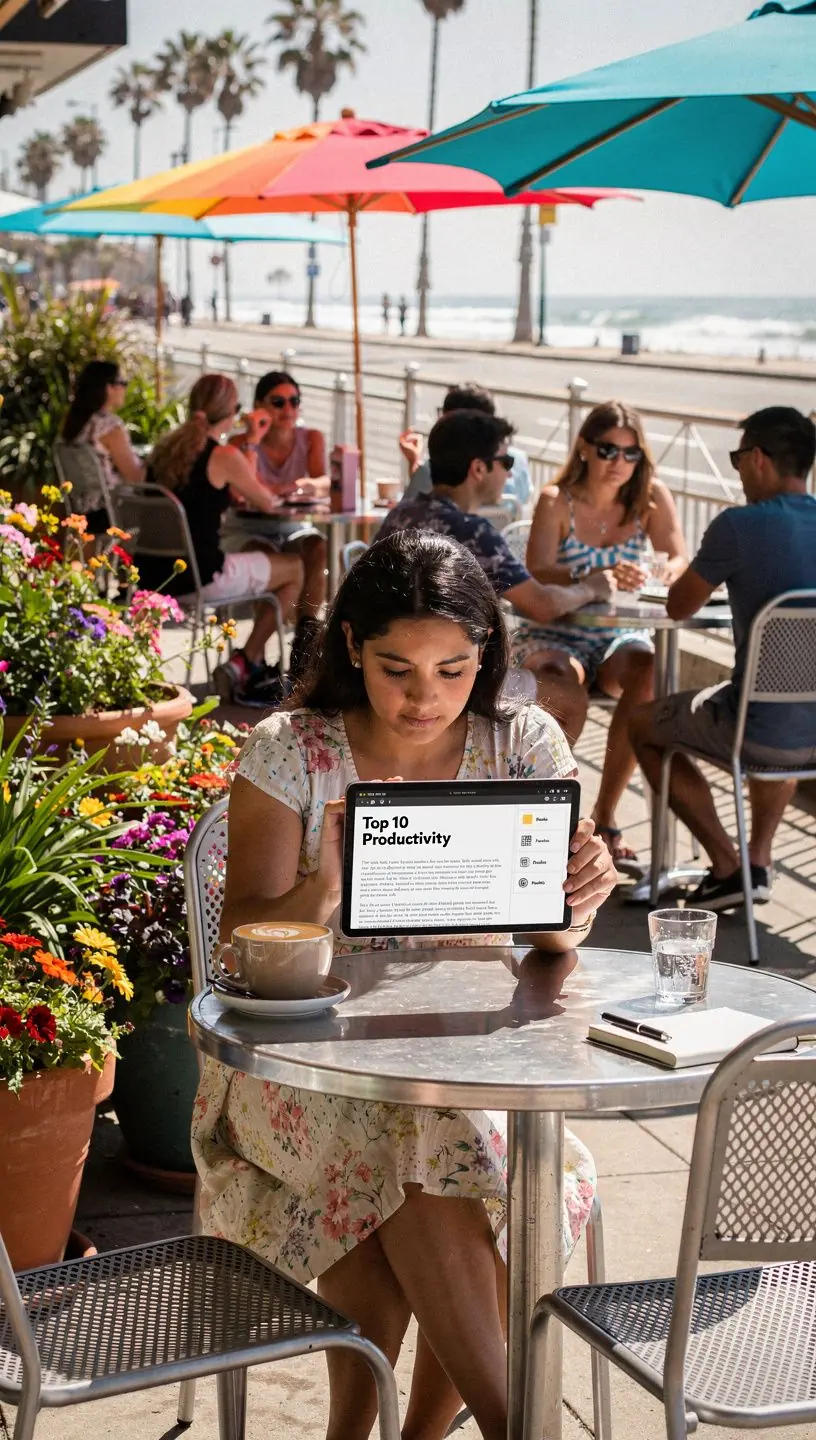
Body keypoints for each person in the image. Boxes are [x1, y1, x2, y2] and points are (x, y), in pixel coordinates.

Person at [191, 529, 617, 1440]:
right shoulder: (292, 749)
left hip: (468, 1069)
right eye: (397, 669)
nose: (426, 698)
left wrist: (575, 896)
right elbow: (234, 947)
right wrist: (325, 885)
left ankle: (391, 1432)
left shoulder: (523, 741)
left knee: (430, 1140)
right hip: (301, 1074)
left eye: (454, 671)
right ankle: (508, 1429)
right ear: (351, 646)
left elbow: (549, 940)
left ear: (486, 658)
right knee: (416, 1143)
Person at [630, 405, 816, 910]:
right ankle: (757, 859)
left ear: (757, 458)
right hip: (811, 733)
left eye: (736, 459)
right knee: (786, 707)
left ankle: (727, 863)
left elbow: (678, 605)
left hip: (752, 728)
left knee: (642, 724)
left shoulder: (738, 525)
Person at [516, 401, 687, 864]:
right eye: (609, 450)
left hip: (616, 634)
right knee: (558, 680)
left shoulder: (651, 498)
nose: (619, 463)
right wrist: (599, 573)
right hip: (557, 630)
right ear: (585, 448)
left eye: (631, 454)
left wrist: (654, 575)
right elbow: (538, 569)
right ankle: (547, 821)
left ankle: (605, 816)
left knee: (647, 672)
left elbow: (678, 559)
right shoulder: (558, 501)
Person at [380, 409, 614, 736]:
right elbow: (542, 605)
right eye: (506, 463)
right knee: (570, 699)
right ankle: (533, 785)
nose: (509, 474)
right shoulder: (473, 533)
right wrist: (591, 587)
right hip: (442, 679)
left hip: (386, 668)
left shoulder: (403, 513)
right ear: (478, 468)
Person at [139, 374, 306, 707]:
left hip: (156, 576)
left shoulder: (163, 450)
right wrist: (255, 443)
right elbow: (266, 502)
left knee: (264, 558)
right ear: (230, 413)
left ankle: (245, 662)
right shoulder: (223, 456)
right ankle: (247, 661)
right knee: (295, 567)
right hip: (204, 577)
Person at [223, 369, 330, 683]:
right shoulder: (241, 442)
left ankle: (305, 650)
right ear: (259, 405)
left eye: (294, 401)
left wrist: (311, 484)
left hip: (289, 526)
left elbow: (324, 479)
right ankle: (254, 658)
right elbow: (241, 492)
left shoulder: (311, 438)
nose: (288, 410)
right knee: (270, 557)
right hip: (244, 528)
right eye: (279, 402)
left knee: (317, 547)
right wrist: (253, 442)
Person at [399, 382, 531, 507]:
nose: (509, 474)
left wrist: (415, 462)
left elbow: (411, 510)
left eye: (507, 463)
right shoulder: (519, 460)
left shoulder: (434, 468)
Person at [61, 360, 145, 534]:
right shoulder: (109, 427)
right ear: (108, 387)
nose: (125, 388)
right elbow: (136, 477)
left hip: (82, 509)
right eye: (122, 382)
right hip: (112, 511)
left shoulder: (74, 424)